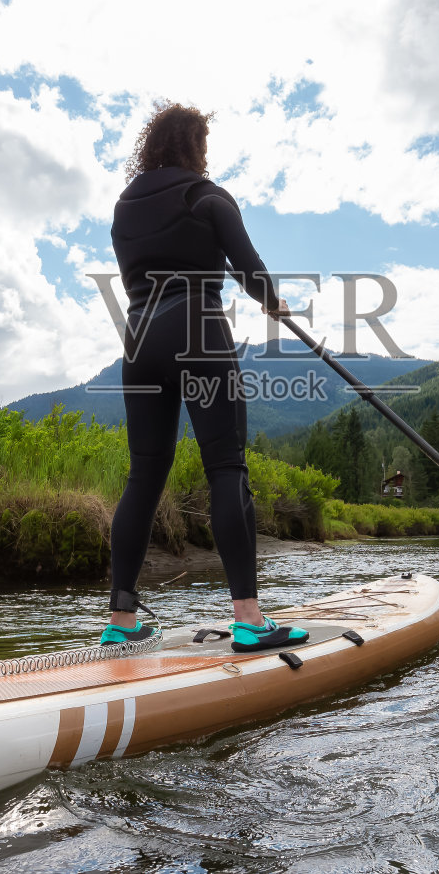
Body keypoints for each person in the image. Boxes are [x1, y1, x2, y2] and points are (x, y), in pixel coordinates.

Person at [101, 102, 308, 654]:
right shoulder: (208, 195)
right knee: (226, 468)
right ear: (195, 147)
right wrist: (275, 304)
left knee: (144, 476)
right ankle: (249, 619)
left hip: (139, 341)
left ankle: (121, 620)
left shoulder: (124, 208)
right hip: (197, 330)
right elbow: (248, 267)